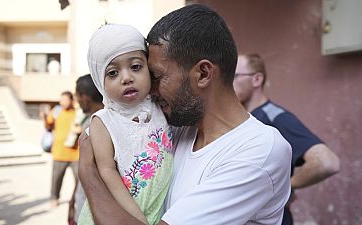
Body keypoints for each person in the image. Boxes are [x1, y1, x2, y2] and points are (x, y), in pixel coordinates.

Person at [78, 4, 292, 225]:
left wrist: (88, 174)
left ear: (203, 73)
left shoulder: (259, 151)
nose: (149, 89)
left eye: (157, 76)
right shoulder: (174, 131)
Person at [78, 24, 174, 225]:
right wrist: (138, 220)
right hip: (120, 215)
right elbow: (107, 173)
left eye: (136, 67)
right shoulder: (102, 122)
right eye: (113, 73)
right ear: (99, 81)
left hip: (157, 212)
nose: (127, 78)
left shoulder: (160, 107)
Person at [233, 53, 340, 225]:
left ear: (257, 79)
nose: (227, 81)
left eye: (235, 75)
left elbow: (327, 162)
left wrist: (285, 187)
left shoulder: (276, 117)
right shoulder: (243, 119)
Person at [68, 74, 103, 225]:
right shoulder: (91, 122)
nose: (76, 101)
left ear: (84, 97)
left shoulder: (96, 126)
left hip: (91, 214)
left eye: (76, 96)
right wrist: (73, 199)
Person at [41, 91, 79, 208]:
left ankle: (77, 199)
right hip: (59, 153)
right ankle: (54, 197)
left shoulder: (78, 113)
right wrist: (44, 117)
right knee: (56, 179)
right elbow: (48, 125)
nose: (62, 102)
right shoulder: (56, 111)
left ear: (71, 100)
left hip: (76, 154)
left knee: (79, 180)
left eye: (65, 100)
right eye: (61, 100)